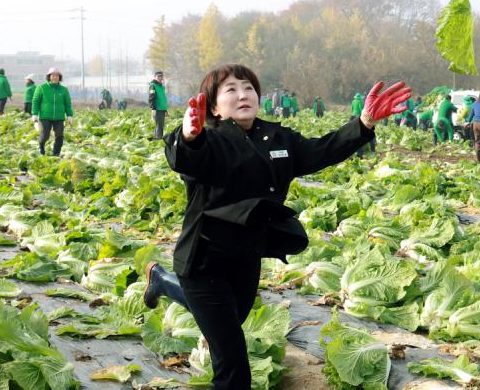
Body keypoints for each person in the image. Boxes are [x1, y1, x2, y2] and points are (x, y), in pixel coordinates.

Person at [142, 65, 410, 388]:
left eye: (248, 87)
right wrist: (187, 135)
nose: (242, 94)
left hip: (245, 260)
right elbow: (183, 156)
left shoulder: (278, 138)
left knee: (230, 321)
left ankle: (159, 280)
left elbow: (320, 151)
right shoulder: (208, 139)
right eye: (230, 90)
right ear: (214, 107)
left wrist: (363, 124)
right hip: (203, 263)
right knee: (233, 366)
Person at [32, 67, 73, 157]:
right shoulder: (41, 88)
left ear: (59, 77)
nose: (55, 77)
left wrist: (69, 115)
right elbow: (36, 101)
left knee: (59, 136)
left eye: (57, 76)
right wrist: (34, 114)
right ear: (49, 77)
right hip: (45, 116)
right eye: (53, 75)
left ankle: (56, 153)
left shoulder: (64, 90)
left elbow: (67, 103)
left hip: (59, 117)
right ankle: (41, 146)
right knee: (45, 135)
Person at [149, 71, 168, 140]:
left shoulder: (162, 87)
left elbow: (163, 99)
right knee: (159, 125)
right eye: (158, 76)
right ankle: (158, 139)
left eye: (161, 76)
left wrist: (165, 109)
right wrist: (153, 108)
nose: (160, 78)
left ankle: (157, 138)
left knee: (161, 125)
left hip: (162, 108)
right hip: (157, 108)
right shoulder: (152, 86)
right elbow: (151, 97)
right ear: (155, 77)